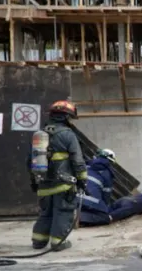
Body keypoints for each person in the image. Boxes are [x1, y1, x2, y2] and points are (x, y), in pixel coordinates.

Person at [29, 100, 87, 251]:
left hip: (43, 183)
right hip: (63, 184)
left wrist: (33, 181)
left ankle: (38, 241)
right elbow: (78, 161)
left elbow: (29, 160)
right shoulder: (68, 135)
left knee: (45, 213)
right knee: (63, 212)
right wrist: (82, 180)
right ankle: (58, 242)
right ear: (67, 117)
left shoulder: (40, 135)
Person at [79, 149, 116, 227]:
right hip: (91, 200)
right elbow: (106, 196)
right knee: (105, 217)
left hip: (75, 197)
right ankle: (79, 218)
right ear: (110, 161)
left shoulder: (86, 165)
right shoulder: (107, 173)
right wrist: (105, 208)